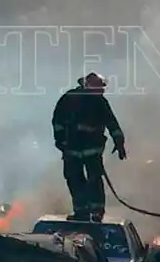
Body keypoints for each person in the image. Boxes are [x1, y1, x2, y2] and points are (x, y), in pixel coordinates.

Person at [52, 72, 127, 222]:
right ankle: (85, 212)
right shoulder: (71, 98)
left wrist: (119, 142)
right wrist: (61, 141)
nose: (102, 90)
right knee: (79, 179)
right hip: (78, 149)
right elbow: (57, 121)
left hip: (82, 149)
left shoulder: (96, 101)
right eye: (99, 87)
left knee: (86, 179)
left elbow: (112, 123)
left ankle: (92, 212)